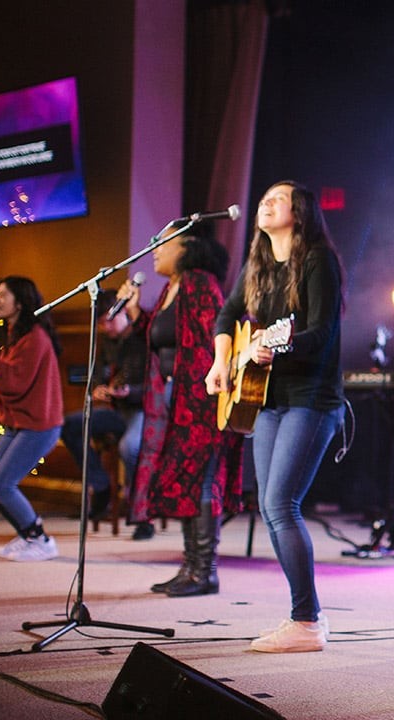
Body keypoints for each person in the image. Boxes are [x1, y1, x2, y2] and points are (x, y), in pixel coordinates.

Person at [206, 180, 346, 653]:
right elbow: (226, 317)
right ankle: (307, 616)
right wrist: (222, 362)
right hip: (265, 398)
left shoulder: (318, 260)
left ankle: (306, 621)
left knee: (282, 503)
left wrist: (276, 344)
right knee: (269, 506)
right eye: (263, 198)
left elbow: (322, 332)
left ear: (300, 211)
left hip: (312, 398)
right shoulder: (258, 264)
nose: (265, 203)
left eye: (277, 199)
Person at [125, 233, 243, 596]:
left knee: (202, 480)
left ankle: (205, 571)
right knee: (185, 480)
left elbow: (216, 337)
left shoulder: (199, 282)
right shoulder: (171, 288)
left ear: (188, 248)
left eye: (163, 243)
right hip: (173, 396)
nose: (155, 250)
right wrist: (136, 313)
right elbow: (165, 336)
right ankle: (190, 566)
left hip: (199, 397)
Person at [0, 276, 65, 562]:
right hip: (17, 423)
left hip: (38, 425)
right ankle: (27, 536)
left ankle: (41, 539)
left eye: (3, 295)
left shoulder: (35, 337)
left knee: (3, 485)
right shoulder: (17, 335)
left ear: (20, 303)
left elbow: (14, 383)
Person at [59, 289, 147, 521]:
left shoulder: (142, 337)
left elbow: (154, 385)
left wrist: (130, 391)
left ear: (123, 312)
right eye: (101, 323)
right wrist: (98, 387)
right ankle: (101, 487)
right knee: (69, 425)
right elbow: (98, 373)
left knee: (129, 447)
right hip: (116, 410)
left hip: (141, 409)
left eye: (109, 320)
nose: (106, 327)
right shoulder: (108, 342)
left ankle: (137, 501)